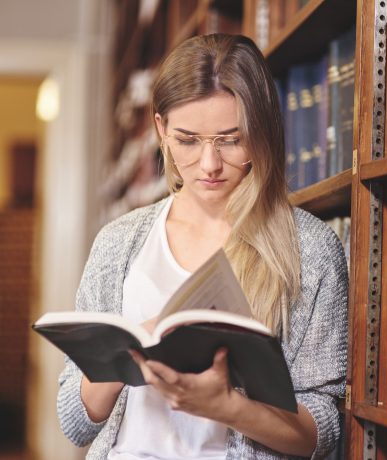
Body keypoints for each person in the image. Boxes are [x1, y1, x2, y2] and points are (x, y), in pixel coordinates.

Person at [56, 33, 348, 459]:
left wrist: (229, 409)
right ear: (161, 129)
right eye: (188, 140)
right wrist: (123, 357)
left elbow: (321, 434)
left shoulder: (311, 250)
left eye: (231, 139)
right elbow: (75, 423)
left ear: (262, 131)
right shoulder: (118, 243)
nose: (209, 165)